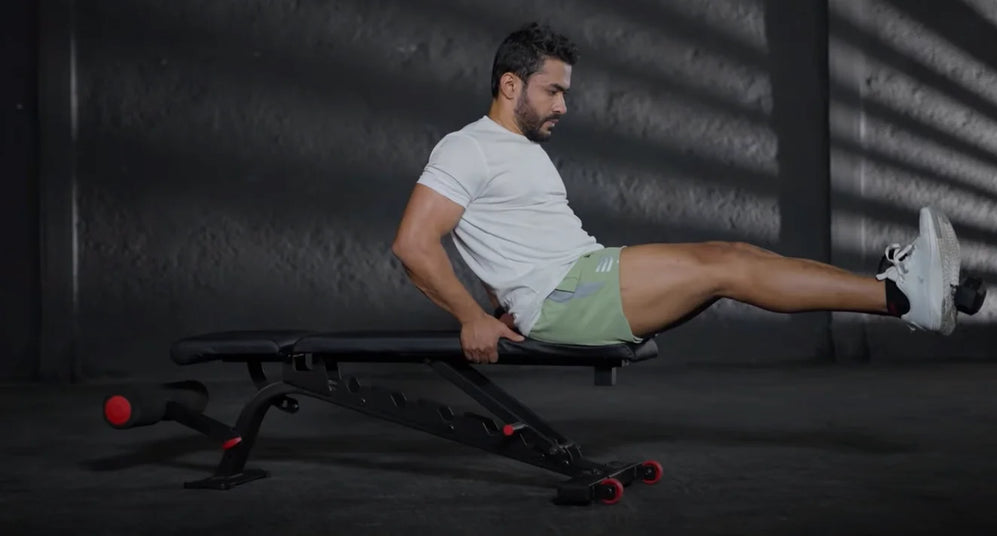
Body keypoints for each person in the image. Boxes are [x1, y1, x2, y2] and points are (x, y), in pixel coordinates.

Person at [391, 22, 963, 364]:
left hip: (577, 279)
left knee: (735, 257)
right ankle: (903, 297)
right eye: (553, 91)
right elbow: (415, 243)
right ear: (510, 84)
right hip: (567, 296)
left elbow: (501, 235)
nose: (564, 105)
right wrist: (472, 318)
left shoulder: (517, 150)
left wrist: (499, 296)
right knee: (725, 266)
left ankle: (899, 295)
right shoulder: (467, 147)